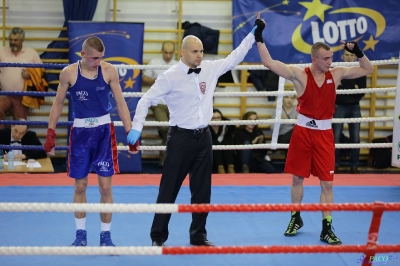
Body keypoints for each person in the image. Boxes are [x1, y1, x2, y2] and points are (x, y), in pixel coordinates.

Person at [127, 15, 263, 247]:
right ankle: (158, 237)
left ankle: (198, 235)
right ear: (183, 53)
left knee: (202, 190)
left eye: (201, 51)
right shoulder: (169, 77)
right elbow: (146, 100)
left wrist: (252, 35)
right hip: (180, 138)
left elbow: (234, 58)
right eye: (195, 51)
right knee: (168, 188)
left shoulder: (209, 68)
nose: (200, 55)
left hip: (204, 136)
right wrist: (136, 127)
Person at [255, 16, 373, 245]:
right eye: (326, 58)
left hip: (324, 134)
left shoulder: (337, 74)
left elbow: (367, 68)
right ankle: (295, 217)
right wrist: (258, 36)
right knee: (297, 178)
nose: (330, 61)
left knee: (327, 183)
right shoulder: (299, 75)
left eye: (331, 57)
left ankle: (326, 227)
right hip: (302, 133)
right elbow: (269, 63)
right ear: (314, 59)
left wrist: (358, 51)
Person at [43, 36, 137, 247]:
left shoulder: (109, 71)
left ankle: (105, 235)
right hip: (81, 133)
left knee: (105, 188)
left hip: (104, 132)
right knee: (80, 186)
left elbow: (121, 103)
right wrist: (50, 132)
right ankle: (80, 235)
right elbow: (57, 104)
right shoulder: (68, 73)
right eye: (94, 58)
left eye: (101, 58)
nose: (98, 62)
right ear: (83, 55)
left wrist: (130, 131)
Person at [142, 41, 178, 170]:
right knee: (165, 128)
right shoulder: (154, 62)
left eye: (170, 53)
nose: (168, 55)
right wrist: (156, 81)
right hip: (158, 103)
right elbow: (144, 78)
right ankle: (166, 160)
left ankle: (167, 161)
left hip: (175, 103)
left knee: (176, 131)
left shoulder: (179, 65)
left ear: (174, 52)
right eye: (165, 52)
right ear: (161, 51)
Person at [0, 27, 43, 128]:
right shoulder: (1, 51)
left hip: (22, 96)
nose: (12, 42)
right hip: (4, 94)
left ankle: (16, 143)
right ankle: (1, 141)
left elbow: (41, 71)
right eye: (10, 40)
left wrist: (30, 74)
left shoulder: (31, 53)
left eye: (16, 40)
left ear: (22, 40)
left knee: (20, 124)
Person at [333, 49, 367, 174]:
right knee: (335, 137)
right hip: (339, 106)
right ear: (342, 56)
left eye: (351, 55)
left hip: (354, 107)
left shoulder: (360, 71)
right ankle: (335, 164)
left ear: (355, 57)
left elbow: (362, 91)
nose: (349, 57)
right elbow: (333, 91)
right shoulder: (337, 71)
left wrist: (345, 88)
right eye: (346, 55)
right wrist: (353, 88)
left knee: (355, 138)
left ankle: (354, 166)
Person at [270, 88, 298, 157]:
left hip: (294, 138)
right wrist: (280, 121)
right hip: (281, 137)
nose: (289, 100)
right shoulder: (278, 111)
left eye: (291, 98)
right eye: (286, 97)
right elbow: (272, 129)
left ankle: (289, 166)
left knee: (292, 142)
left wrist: (298, 121)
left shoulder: (297, 110)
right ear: (282, 98)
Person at [209, 109, 236, 174]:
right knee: (215, 143)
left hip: (226, 152)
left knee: (226, 142)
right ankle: (220, 168)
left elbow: (231, 137)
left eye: (218, 117)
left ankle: (230, 168)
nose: (216, 120)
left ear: (221, 118)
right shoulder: (206, 127)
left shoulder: (227, 125)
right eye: (213, 118)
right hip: (212, 153)